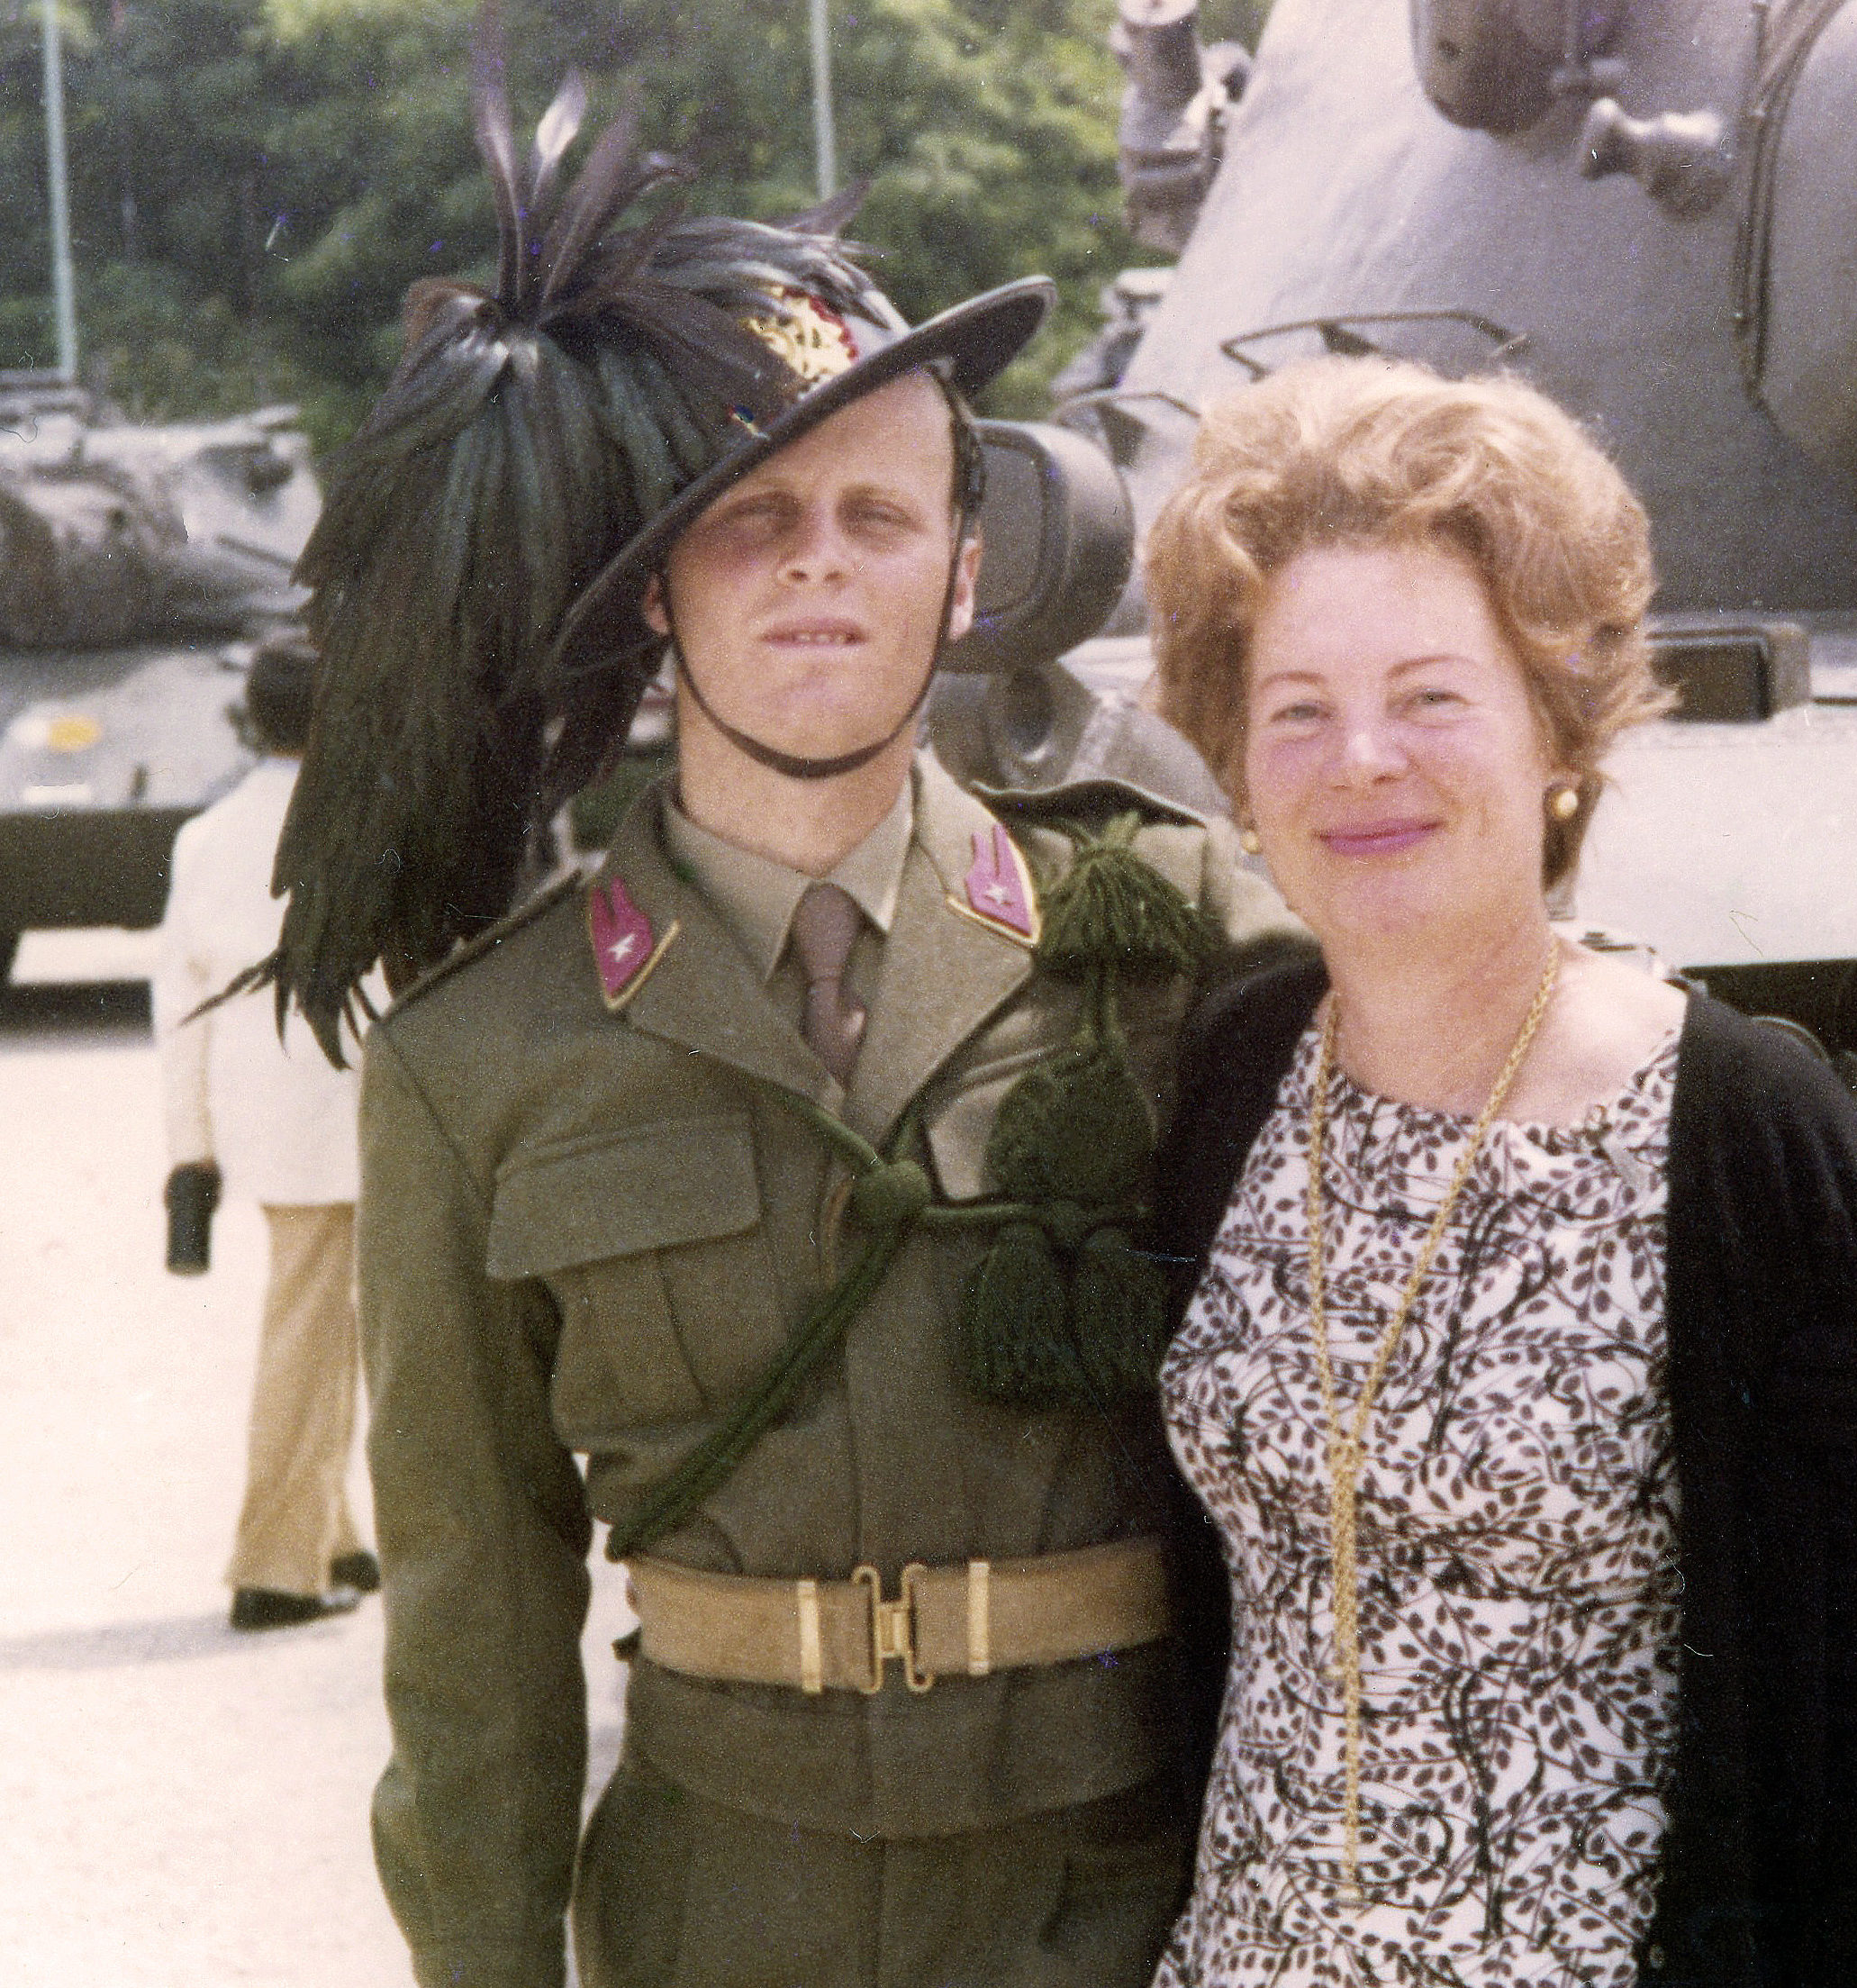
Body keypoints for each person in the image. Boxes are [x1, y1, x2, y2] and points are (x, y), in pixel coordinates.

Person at [247, 64, 1294, 1988]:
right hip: (719, 1910)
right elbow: (471, 1650)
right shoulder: (480, 1061)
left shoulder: (1175, 934)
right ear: (655, 587)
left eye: (881, 513)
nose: (822, 557)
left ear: (965, 570)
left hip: (1121, 1905)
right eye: (757, 517)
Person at [1137, 358, 1857, 1988]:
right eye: (1295, 708)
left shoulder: (1732, 1121)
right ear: (1239, 773)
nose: (1361, 757)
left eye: (1432, 694)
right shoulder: (1240, 1075)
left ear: (1561, 731)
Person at [151, 631, 380, 1632]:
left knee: (324, 1324)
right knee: (319, 1331)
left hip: (264, 1123)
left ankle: (331, 1532)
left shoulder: (205, 836)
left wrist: (188, 1153)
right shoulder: (370, 822)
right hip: (358, 1113)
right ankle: (275, 1567)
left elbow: (179, 1011)